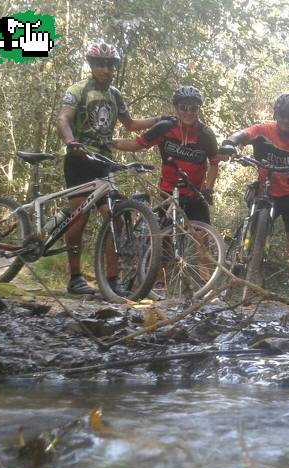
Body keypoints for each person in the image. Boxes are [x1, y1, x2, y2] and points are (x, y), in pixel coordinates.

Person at [57, 41, 160, 295]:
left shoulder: (115, 94)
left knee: (114, 218)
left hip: (104, 162)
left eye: (110, 65)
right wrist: (71, 142)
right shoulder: (78, 89)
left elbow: (131, 124)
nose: (106, 69)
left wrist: (160, 120)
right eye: (100, 64)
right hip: (80, 158)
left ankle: (111, 280)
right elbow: (63, 118)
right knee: (79, 218)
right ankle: (75, 277)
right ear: (92, 65)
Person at [222, 93, 289, 298]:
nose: (286, 120)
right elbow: (241, 135)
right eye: (283, 115)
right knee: (253, 237)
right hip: (267, 192)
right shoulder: (263, 130)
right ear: (276, 114)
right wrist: (231, 143)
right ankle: (243, 280)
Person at [110, 85, 219, 224]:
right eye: (183, 107)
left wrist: (208, 190)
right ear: (176, 108)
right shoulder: (165, 127)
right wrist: (108, 142)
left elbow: (214, 164)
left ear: (198, 110)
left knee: (202, 238)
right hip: (169, 191)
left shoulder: (206, 134)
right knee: (165, 238)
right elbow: (136, 144)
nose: (188, 112)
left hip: (195, 193)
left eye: (193, 108)